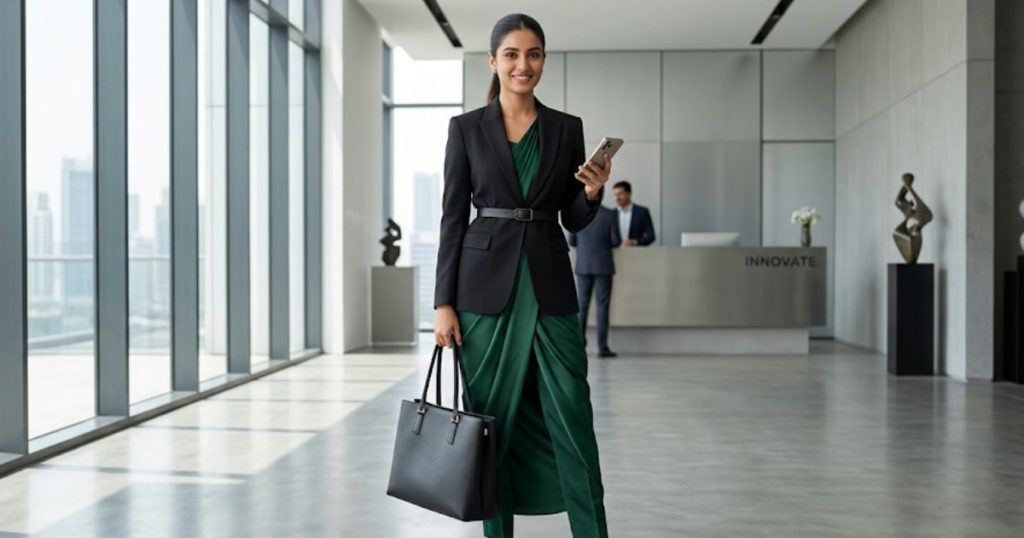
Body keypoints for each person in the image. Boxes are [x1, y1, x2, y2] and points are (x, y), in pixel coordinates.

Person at [433, 13, 610, 538]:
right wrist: (443, 303)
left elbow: (572, 217)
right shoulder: (466, 128)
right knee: (491, 426)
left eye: (533, 54)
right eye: (511, 54)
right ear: (493, 61)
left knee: (573, 417)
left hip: (550, 286)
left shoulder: (566, 128)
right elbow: (451, 217)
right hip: (482, 294)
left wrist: (592, 192)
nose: (522, 64)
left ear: (543, 61)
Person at [569, 207, 621, 358]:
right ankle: (602, 347)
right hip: (603, 266)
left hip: (583, 266)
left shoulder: (577, 213)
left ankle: (579, 345)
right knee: (602, 307)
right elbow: (616, 241)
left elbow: (572, 241)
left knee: (582, 307)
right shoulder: (610, 215)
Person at [612, 180, 656, 246]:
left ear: (629, 194)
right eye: (615, 195)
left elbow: (651, 236)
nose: (617, 198)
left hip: (636, 251)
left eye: (620, 194)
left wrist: (635, 242)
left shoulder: (642, 212)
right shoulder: (611, 214)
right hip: (615, 251)